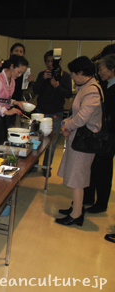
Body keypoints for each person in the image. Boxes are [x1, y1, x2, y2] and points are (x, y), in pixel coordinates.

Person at [56, 56, 102, 227]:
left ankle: (76, 215)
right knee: (75, 174)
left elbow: (82, 118)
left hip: (85, 140)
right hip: (79, 138)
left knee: (77, 177)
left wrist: (66, 124)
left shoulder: (92, 90)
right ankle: (76, 206)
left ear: (81, 73)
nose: (72, 77)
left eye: (74, 74)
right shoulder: (86, 86)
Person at [83, 54, 115, 214]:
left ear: (112, 70)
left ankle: (101, 203)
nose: (99, 72)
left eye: (101, 69)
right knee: (93, 165)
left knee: (104, 168)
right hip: (99, 132)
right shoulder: (102, 84)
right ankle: (88, 196)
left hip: (110, 135)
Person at [33, 50, 73, 177]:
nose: (50, 64)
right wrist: (43, 79)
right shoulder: (42, 74)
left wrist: (57, 86)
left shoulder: (65, 76)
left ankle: (46, 167)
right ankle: (33, 164)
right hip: (40, 112)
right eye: (48, 61)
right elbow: (35, 90)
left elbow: (68, 94)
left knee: (52, 142)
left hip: (56, 113)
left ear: (59, 62)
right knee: (36, 140)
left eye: (52, 61)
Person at [0, 55, 29, 148]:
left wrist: (17, 103)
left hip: (4, 118)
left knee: (4, 143)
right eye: (18, 72)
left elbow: (5, 99)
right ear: (11, 66)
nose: (19, 75)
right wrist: (6, 111)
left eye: (22, 73)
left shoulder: (13, 81)